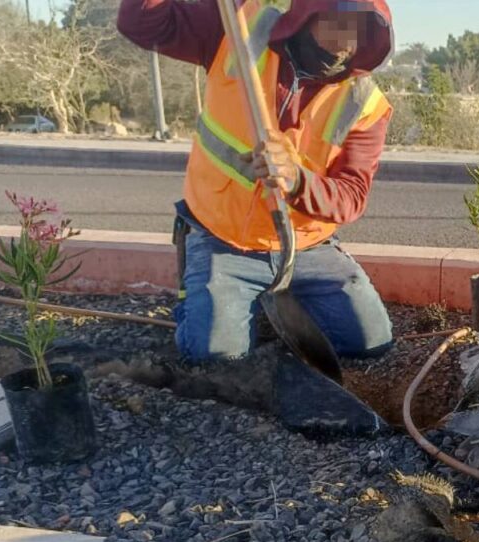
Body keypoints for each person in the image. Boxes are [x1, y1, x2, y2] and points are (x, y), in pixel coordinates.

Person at [118, 0, 396, 362]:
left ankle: (267, 301)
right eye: (339, 19)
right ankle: (209, 297)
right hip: (222, 239)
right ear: (310, 11)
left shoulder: (367, 105)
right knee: (216, 357)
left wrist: (297, 181)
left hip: (306, 248)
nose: (348, 39)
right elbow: (141, 22)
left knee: (371, 343)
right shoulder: (236, 27)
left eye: (362, 27)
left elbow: (351, 196)